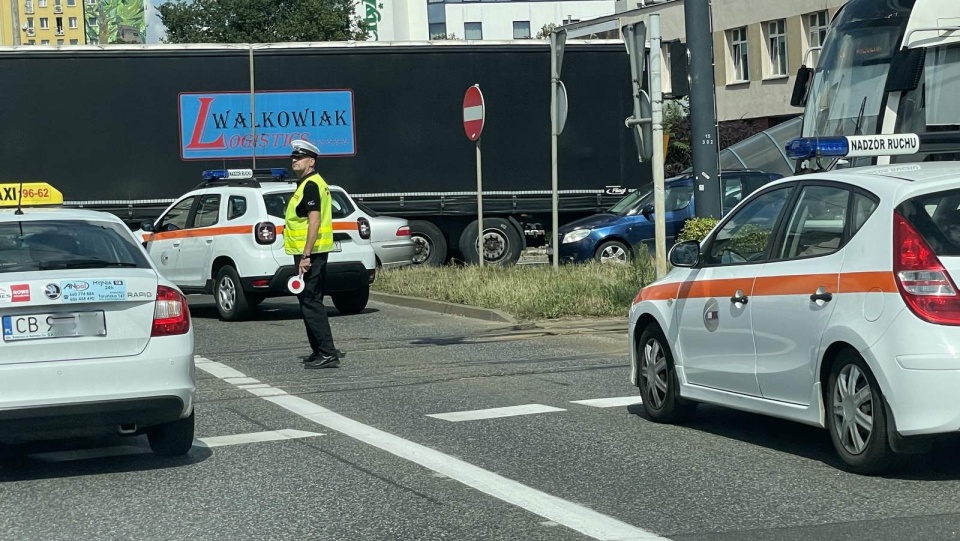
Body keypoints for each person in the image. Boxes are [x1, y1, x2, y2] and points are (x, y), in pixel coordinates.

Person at [285, 139, 342, 369]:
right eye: (293, 157)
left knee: (311, 302)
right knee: (308, 300)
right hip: (310, 252)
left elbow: (314, 221)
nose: (294, 160)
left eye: (299, 157)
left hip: (311, 253)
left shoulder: (311, 185)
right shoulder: (310, 183)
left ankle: (327, 353)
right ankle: (318, 350)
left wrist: (306, 255)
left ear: (311, 161)